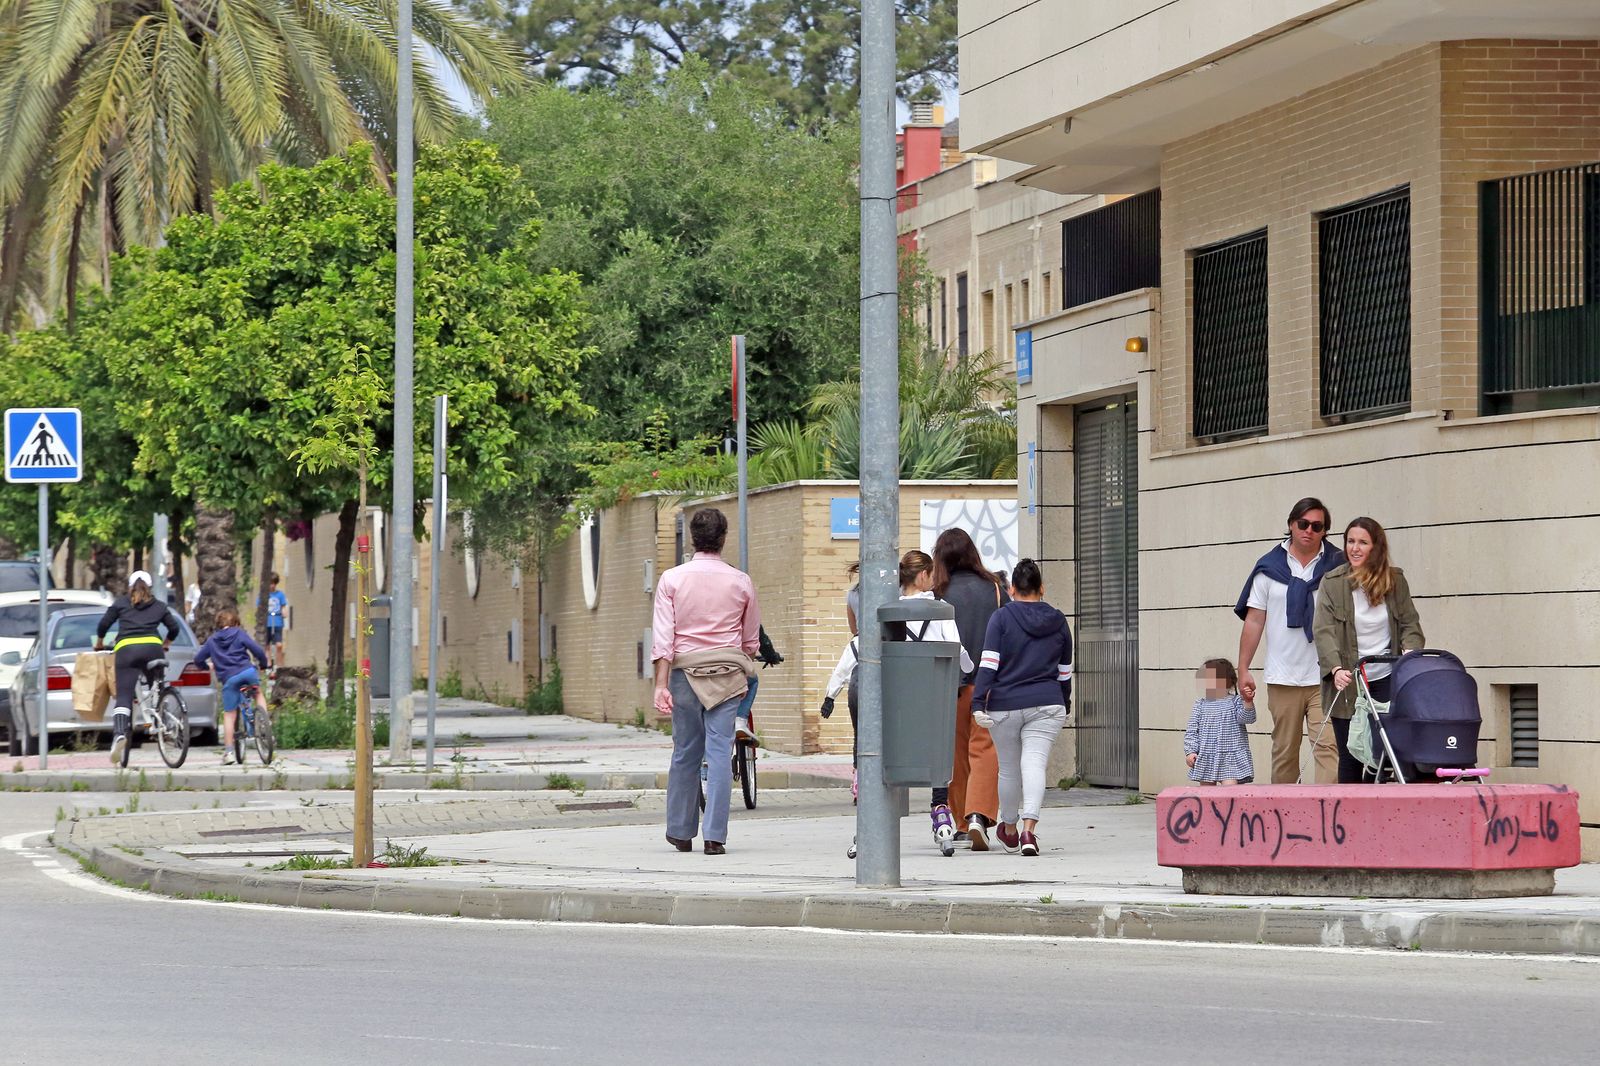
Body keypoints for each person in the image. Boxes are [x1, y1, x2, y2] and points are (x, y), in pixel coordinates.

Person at [651, 508, 760, 856]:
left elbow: (663, 638)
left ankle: (681, 832)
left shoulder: (671, 579)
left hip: (684, 674)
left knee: (685, 752)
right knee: (719, 751)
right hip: (728, 674)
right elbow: (751, 639)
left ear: (693, 538)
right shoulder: (741, 581)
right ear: (723, 538)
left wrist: (660, 684)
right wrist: (744, 660)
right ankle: (715, 836)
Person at [1234, 497, 1344, 784]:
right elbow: (1255, 620)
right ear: (1291, 525)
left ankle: (1326, 819)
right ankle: (1285, 819)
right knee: (1284, 751)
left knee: (1328, 748)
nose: (1308, 530)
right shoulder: (1269, 567)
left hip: (1326, 676)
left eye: (1317, 526)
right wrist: (1243, 668)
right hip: (1283, 676)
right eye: (1303, 523)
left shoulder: (1339, 565)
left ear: (1324, 531)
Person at [970, 559, 1071, 857]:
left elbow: (989, 664)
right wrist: (1064, 702)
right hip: (1047, 701)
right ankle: (1029, 831)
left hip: (1005, 705)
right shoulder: (1059, 620)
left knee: (1010, 770)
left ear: (1012, 589)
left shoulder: (1001, 618)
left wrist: (978, 702)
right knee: (1035, 765)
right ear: (1041, 588)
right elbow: (1065, 671)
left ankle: (1010, 828)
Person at [1313, 517, 1425, 783]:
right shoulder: (1332, 582)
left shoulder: (1395, 581)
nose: (1355, 548)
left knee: (1383, 753)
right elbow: (1323, 630)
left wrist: (1410, 652)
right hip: (1349, 681)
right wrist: (1335, 668)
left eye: (1362, 542)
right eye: (1351, 541)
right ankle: (1349, 819)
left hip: (1387, 678)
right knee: (1351, 754)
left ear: (1376, 547)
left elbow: (1410, 623)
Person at [893, 549, 975, 853]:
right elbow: (956, 649)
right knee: (940, 752)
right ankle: (940, 809)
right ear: (924, 575)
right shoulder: (941, 610)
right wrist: (969, 668)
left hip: (901, 693)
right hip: (933, 692)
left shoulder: (890, 608)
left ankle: (882, 813)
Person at [931, 528, 1007, 850]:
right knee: (984, 750)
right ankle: (979, 815)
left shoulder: (939, 593)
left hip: (951, 686)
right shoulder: (996, 588)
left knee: (956, 755)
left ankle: (961, 822)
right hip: (989, 685)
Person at [94, 571, 184, 767]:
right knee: (157, 687)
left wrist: (100, 642)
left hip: (127, 650)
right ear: (149, 587)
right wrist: (166, 642)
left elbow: (103, 625)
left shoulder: (121, 603)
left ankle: (119, 734)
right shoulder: (159, 605)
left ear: (130, 586)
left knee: (124, 695)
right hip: (153, 648)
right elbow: (174, 628)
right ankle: (163, 720)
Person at [194, 606, 272, 765]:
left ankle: (229, 753)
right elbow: (256, 650)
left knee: (230, 714)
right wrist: (264, 664)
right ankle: (264, 722)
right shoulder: (239, 633)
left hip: (229, 679)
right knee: (257, 693)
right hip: (247, 672)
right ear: (235, 622)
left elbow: (198, 660)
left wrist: (207, 666)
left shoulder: (212, 641)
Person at [1184, 658, 1256, 786]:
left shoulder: (1236, 701)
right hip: (1206, 755)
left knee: (1230, 794)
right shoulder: (1200, 704)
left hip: (1230, 758)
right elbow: (1192, 730)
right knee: (1207, 796)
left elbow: (1247, 718)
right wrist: (1191, 751)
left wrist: (1248, 702)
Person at [265, 573, 287, 669]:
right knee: (266, 645)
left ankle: (279, 666)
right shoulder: (263, 595)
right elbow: (260, 608)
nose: (272, 585)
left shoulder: (280, 594)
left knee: (279, 645)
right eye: (270, 583)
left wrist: (284, 612)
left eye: (274, 583)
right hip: (267, 622)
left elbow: (283, 606)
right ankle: (268, 664)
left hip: (277, 621)